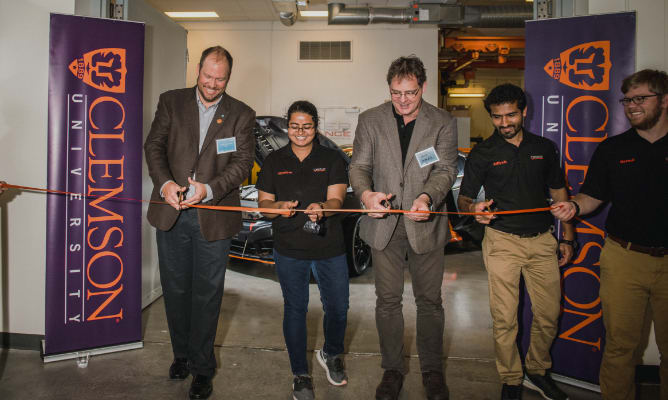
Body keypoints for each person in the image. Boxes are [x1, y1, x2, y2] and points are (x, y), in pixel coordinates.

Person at [144, 46, 255, 400]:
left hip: (214, 217)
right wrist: (166, 184)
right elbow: (154, 147)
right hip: (172, 212)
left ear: (229, 77)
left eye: (220, 79)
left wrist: (209, 189)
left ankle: (203, 369)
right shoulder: (171, 102)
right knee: (176, 291)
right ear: (198, 70)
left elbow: (242, 163)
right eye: (208, 76)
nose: (212, 83)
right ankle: (182, 355)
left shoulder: (241, 113)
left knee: (207, 295)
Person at [551, 69, 667, 400]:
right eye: (628, 99)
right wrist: (573, 207)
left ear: (665, 100)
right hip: (624, 258)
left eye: (641, 98)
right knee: (619, 347)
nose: (631, 106)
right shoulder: (613, 149)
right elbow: (592, 197)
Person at [349, 55, 457, 400]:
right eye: (396, 93)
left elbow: (446, 170)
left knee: (429, 302)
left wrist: (427, 197)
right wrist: (366, 195)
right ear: (390, 89)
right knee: (387, 301)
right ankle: (392, 370)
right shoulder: (371, 120)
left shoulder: (442, 121)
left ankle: (432, 371)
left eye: (410, 93)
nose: (403, 101)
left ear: (422, 87)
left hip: (424, 224)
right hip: (384, 226)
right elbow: (358, 167)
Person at [457, 83, 574, 400]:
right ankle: (511, 378)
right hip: (501, 243)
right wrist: (475, 210)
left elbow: (559, 194)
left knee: (549, 315)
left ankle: (536, 371)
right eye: (497, 117)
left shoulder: (544, 148)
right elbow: (464, 200)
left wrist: (568, 237)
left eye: (511, 115)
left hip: (542, 242)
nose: (505, 123)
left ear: (524, 111)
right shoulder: (482, 153)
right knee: (505, 318)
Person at [256, 100, 350, 400]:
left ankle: (331, 353)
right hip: (290, 248)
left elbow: (337, 201)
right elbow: (264, 205)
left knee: (338, 307)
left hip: (329, 247)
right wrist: (278, 208)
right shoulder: (273, 161)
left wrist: (322, 207)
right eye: (294, 126)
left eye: (306, 126)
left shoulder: (332, 158)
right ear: (287, 127)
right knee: (295, 310)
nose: (300, 132)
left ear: (315, 126)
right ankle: (300, 374)